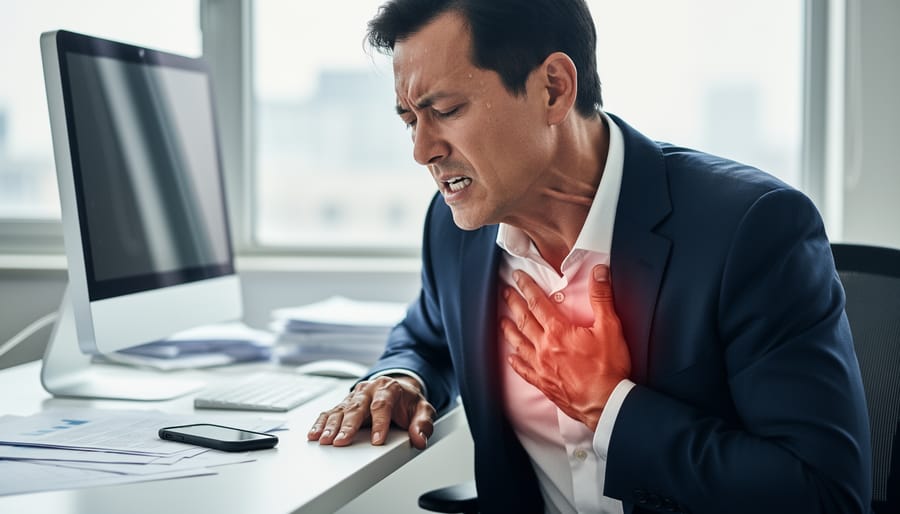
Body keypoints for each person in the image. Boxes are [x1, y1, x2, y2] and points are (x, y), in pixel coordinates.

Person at [307, 1, 872, 512]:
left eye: (447, 110)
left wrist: (609, 406)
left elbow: (824, 495)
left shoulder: (751, 229)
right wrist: (400, 377)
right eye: (410, 120)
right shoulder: (456, 226)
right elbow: (427, 335)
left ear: (553, 89)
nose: (422, 151)